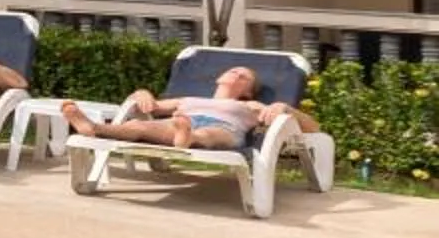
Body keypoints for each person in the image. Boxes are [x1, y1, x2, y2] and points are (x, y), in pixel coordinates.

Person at [59, 65, 314, 149]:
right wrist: (142, 93)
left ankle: (188, 137)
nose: (236, 74)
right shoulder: (187, 100)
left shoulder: (251, 105)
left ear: (247, 90)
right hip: (180, 121)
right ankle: (91, 128)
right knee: (138, 125)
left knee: (207, 134)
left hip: (223, 128)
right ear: (219, 77)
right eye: (233, 70)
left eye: (243, 76)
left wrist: (285, 108)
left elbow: (316, 129)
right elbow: (154, 106)